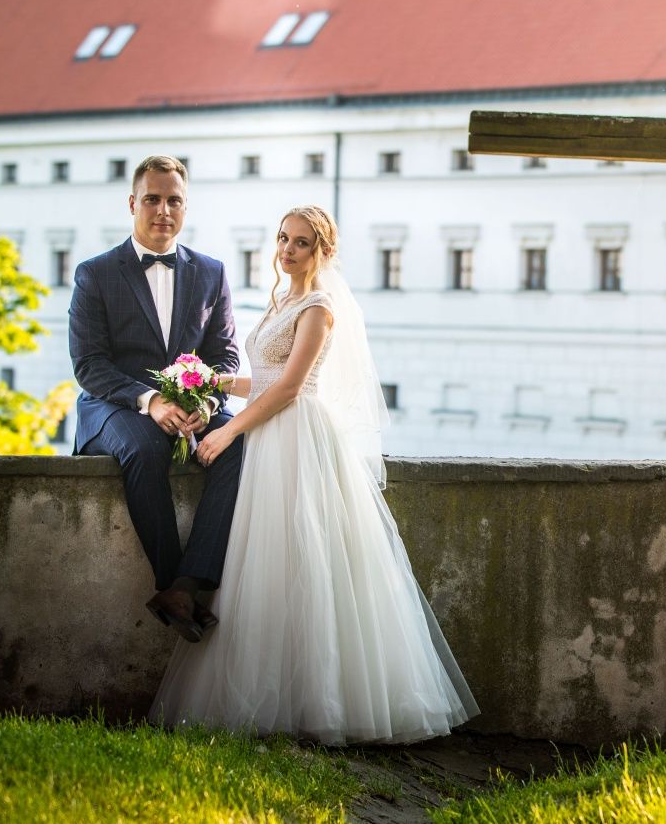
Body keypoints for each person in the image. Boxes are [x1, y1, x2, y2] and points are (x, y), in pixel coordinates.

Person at [149, 205, 478, 745]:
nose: (287, 249)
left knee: (308, 565)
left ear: (323, 251)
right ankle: (272, 701)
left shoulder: (320, 308)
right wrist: (212, 379)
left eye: (301, 242)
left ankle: (321, 705)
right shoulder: (283, 299)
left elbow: (288, 387)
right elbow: (262, 379)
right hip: (269, 433)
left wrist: (228, 432)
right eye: (283, 238)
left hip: (296, 434)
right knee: (265, 564)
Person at [67, 155, 244, 644]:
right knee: (146, 447)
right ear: (132, 203)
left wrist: (207, 405)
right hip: (114, 406)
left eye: (174, 201)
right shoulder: (95, 273)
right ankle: (172, 581)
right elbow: (89, 365)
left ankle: (188, 584)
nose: (163, 210)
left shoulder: (210, 272)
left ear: (185, 207)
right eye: (152, 199)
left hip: (194, 403)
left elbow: (225, 355)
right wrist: (150, 400)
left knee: (239, 444)